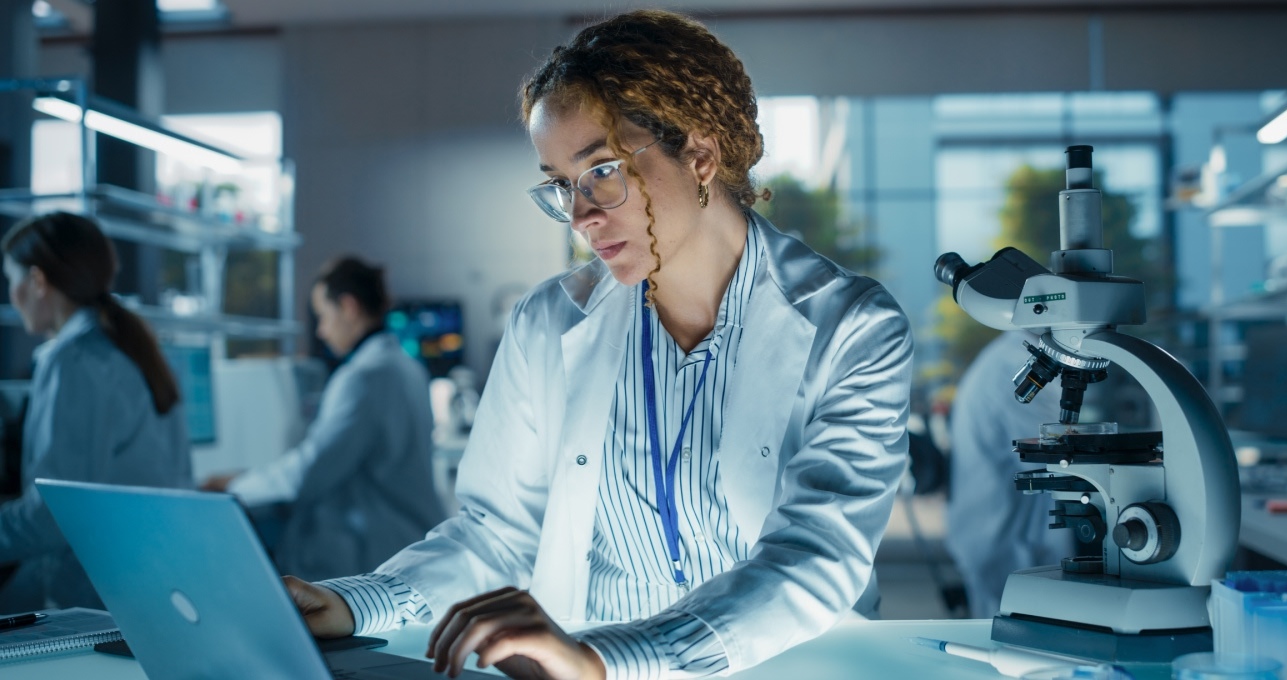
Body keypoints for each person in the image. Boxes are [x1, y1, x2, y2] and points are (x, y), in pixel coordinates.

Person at [281, 10, 913, 680]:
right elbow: (496, 533)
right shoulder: (548, 322)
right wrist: (351, 603)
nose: (580, 214)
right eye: (559, 185)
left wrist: (605, 658)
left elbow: (816, 556)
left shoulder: (853, 328)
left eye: (601, 171)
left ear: (700, 155)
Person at [202, 257, 445, 581]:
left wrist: (234, 485)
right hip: (407, 539)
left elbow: (308, 473)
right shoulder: (406, 367)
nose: (321, 331)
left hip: (377, 550)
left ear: (348, 307)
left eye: (323, 317)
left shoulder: (363, 377)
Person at [0, 211, 191, 610]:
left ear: (37, 282)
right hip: (150, 578)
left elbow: (52, 516)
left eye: (11, 280)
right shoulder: (129, 346)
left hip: (96, 593)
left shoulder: (75, 361)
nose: (10, 295)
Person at [944, 330, 1073, 619]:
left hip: (1001, 542)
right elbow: (1060, 458)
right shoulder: (1014, 365)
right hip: (1007, 548)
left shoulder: (1009, 356)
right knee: (1016, 646)